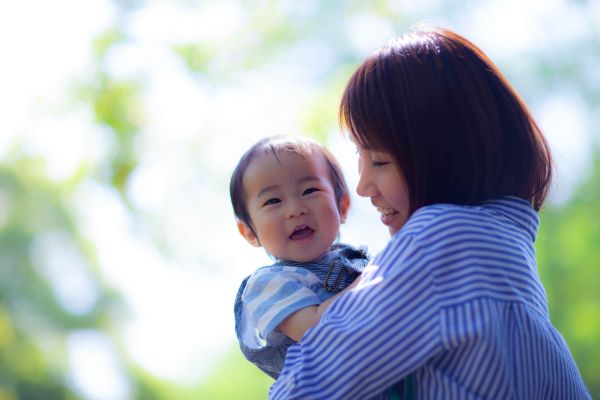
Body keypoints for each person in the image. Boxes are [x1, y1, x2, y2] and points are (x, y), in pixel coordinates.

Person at [269, 27, 591, 399]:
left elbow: (311, 386)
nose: (363, 187)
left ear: (443, 156)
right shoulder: (504, 247)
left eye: (380, 161)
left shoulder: (442, 237)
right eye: (360, 157)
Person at [231, 135, 369, 380]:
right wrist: (374, 278)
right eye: (273, 201)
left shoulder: (357, 260)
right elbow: (316, 330)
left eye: (310, 190)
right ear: (250, 232)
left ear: (342, 206)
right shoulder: (269, 284)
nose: (295, 210)